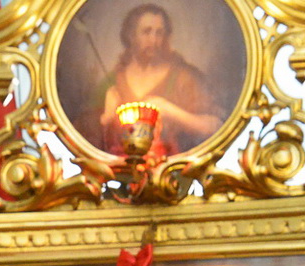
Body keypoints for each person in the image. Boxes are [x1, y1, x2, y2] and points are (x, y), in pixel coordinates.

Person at [93, 4, 221, 157]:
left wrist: (170, 111)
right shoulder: (113, 81)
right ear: (131, 36)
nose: (153, 40)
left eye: (159, 33)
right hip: (121, 168)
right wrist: (106, 117)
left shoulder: (184, 78)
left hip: (173, 167)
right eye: (146, 32)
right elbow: (83, 134)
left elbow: (215, 126)